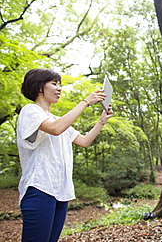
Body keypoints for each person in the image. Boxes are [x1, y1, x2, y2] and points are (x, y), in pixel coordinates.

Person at [17, 69, 113, 242]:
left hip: (60, 193)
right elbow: (55, 129)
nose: (59, 88)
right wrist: (86, 102)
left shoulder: (56, 118)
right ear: (39, 87)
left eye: (59, 84)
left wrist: (102, 121)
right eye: (54, 84)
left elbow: (84, 141)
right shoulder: (30, 111)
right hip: (39, 189)